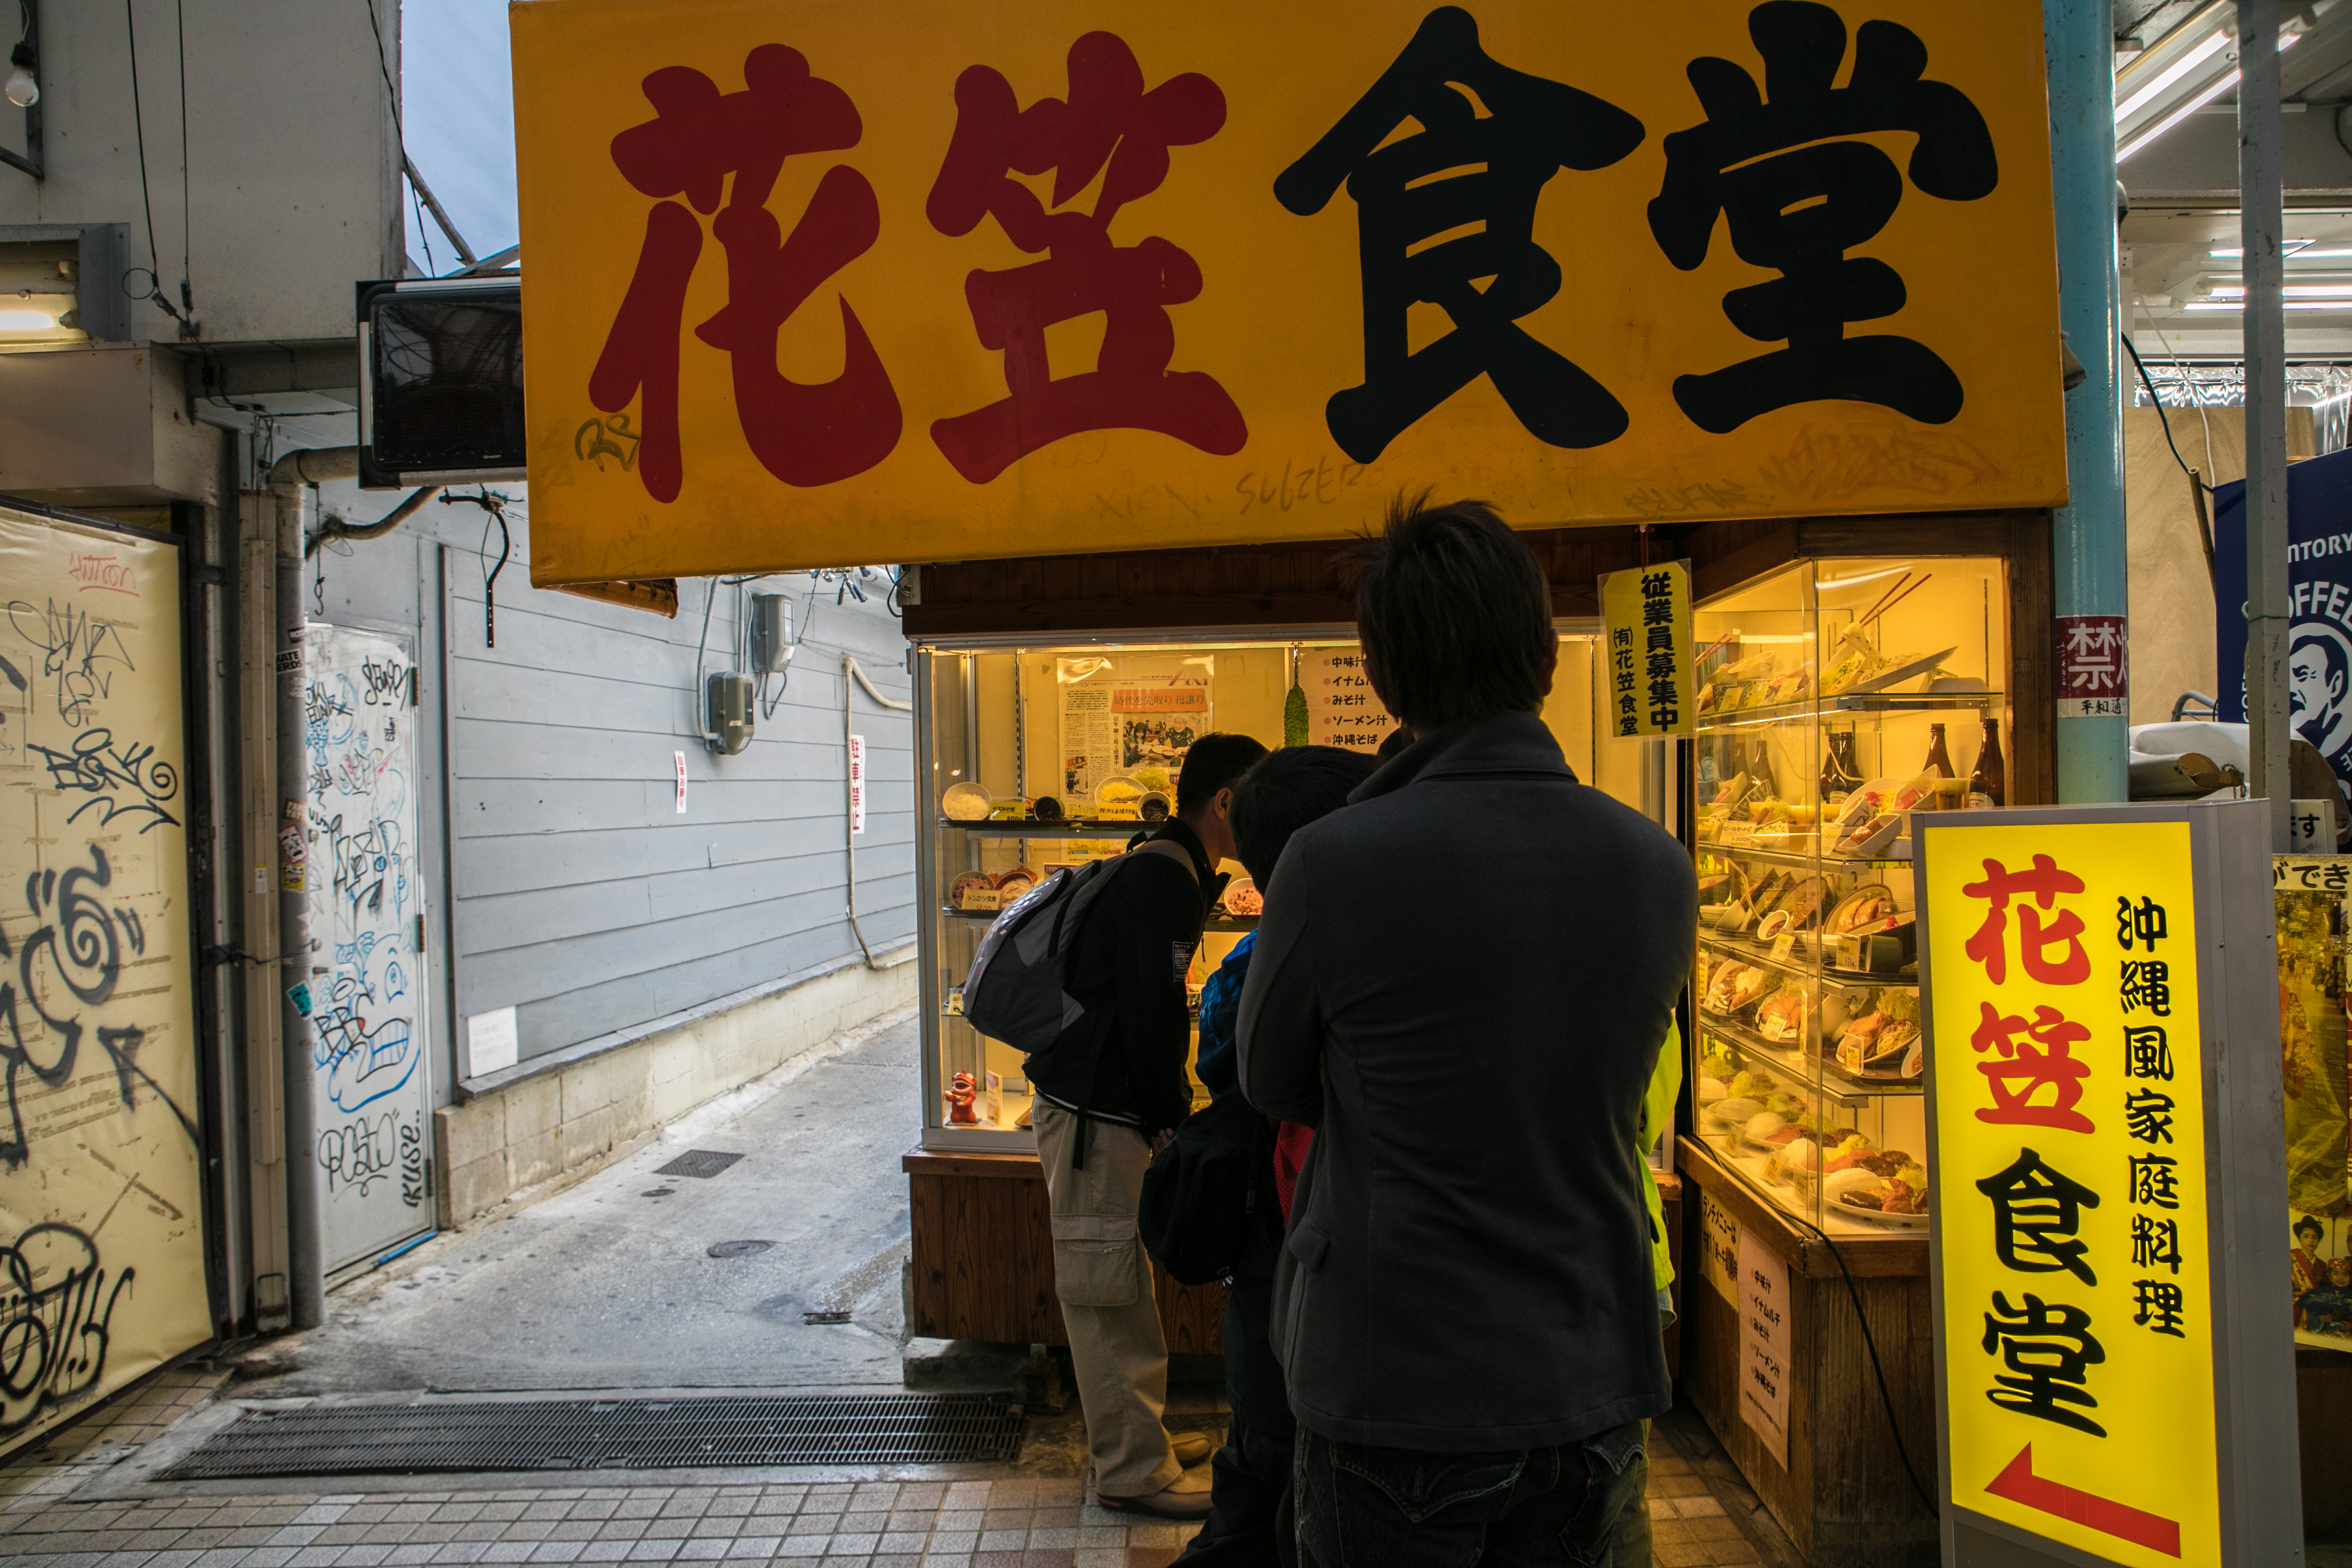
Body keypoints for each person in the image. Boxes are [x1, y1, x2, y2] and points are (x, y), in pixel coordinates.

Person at [1239, 497, 1696, 1568]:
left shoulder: (1332, 863)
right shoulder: (1654, 865)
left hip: (1393, 1377)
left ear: (1383, 679)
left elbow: (1273, 1080)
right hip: (1588, 1367)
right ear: (1545, 653)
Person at [1029, 731, 1269, 1519]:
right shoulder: (1168, 878)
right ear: (1227, 801)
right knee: (1105, 1292)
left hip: (1100, 1103)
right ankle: (1132, 1469)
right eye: (1257, 797)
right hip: (1097, 1111)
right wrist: (1172, 1114)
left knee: (1121, 1286)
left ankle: (1144, 1441)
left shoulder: (1168, 863)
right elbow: (1153, 1007)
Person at [1178, 745, 1379, 1568]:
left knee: (1262, 1450)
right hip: (1312, 1245)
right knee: (1290, 1465)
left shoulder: (1248, 965)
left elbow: (1223, 1064)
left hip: (1270, 1246)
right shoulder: (1340, 954)